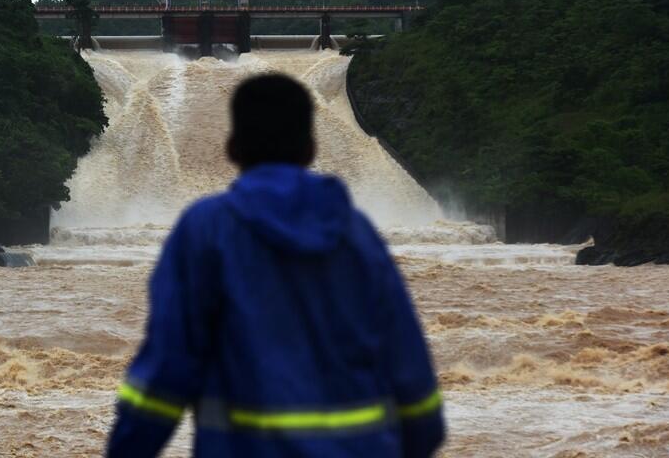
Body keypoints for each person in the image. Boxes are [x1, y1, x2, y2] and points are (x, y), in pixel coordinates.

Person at [107, 74, 445, 457]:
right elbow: (414, 387)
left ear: (232, 148)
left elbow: (165, 375)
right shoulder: (356, 235)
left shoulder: (206, 231)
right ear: (311, 148)